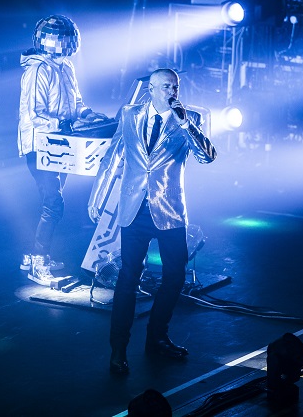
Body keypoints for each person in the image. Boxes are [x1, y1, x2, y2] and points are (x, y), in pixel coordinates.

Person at [88, 68, 217, 374]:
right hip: (134, 208)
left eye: (175, 86)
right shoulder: (130, 115)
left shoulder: (191, 119)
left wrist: (186, 124)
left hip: (170, 209)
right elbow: (113, 158)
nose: (171, 91)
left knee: (175, 275)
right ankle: (118, 349)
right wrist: (97, 196)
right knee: (128, 277)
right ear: (151, 89)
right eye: (165, 86)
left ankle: (157, 337)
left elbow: (208, 156)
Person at [17, 14, 104, 286]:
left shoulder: (66, 67)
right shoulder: (36, 70)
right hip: (39, 144)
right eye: (59, 38)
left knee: (50, 203)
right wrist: (65, 122)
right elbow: (34, 115)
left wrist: (87, 114)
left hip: (61, 144)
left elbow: (75, 103)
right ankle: (38, 262)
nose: (63, 44)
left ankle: (32, 255)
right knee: (54, 204)